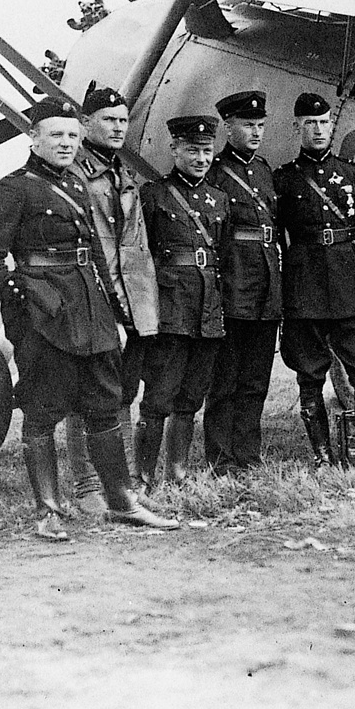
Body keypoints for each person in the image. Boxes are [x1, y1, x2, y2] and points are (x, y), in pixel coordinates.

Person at [0, 97, 177, 540]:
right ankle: (48, 509)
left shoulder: (78, 185)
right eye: (55, 135)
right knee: (43, 412)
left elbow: (97, 257)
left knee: (105, 405)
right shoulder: (13, 189)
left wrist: (117, 312)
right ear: (33, 138)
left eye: (71, 135)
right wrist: (23, 298)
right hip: (45, 316)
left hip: (90, 308)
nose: (65, 143)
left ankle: (122, 501)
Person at [274, 92, 355, 470]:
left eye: (323, 123)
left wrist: (348, 264)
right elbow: (278, 234)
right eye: (310, 123)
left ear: (332, 126)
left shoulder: (351, 173)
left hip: (349, 283)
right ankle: (323, 456)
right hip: (305, 284)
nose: (318, 129)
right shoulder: (284, 179)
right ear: (298, 128)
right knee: (309, 374)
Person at [65, 83, 159, 515]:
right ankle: (87, 484)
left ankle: (118, 481)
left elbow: (135, 246)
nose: (119, 127)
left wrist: (143, 307)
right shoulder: (72, 173)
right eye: (109, 120)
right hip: (92, 295)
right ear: (86, 124)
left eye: (123, 120)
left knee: (123, 392)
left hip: (132, 299)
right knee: (87, 394)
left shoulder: (123, 173)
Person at [134, 115, 229, 487]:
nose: (201, 158)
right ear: (174, 149)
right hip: (171, 308)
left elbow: (221, 252)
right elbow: (141, 256)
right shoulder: (155, 195)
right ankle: (142, 474)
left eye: (207, 151)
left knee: (191, 396)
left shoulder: (219, 199)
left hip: (207, 308)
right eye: (192, 150)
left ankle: (177, 471)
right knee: (159, 394)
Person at [205, 91, 283, 474]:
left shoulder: (266, 170)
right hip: (233, 284)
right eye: (248, 125)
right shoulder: (215, 174)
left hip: (266, 285)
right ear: (228, 128)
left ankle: (248, 455)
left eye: (260, 126)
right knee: (225, 380)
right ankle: (221, 458)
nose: (256, 132)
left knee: (255, 379)